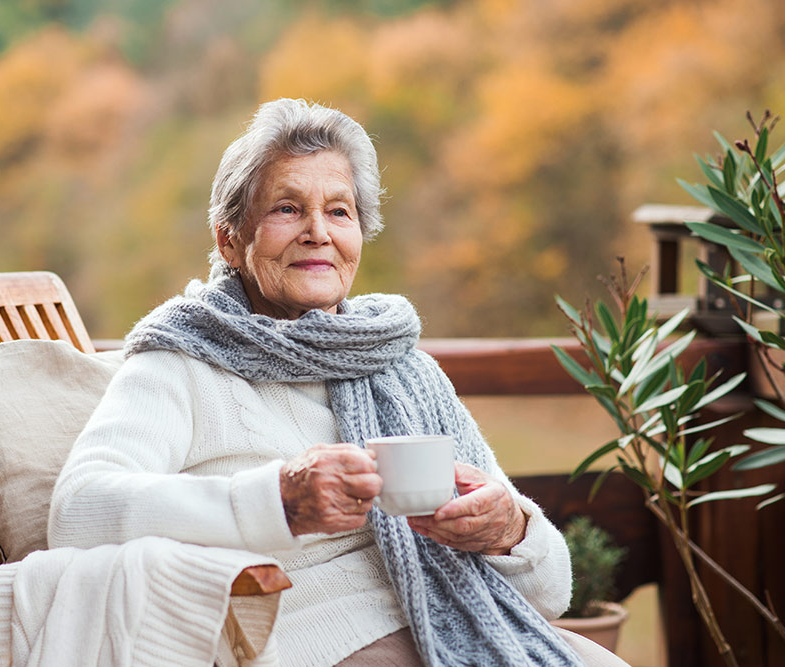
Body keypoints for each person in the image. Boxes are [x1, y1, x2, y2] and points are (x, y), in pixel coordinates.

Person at [48, 98, 621, 666]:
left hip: (460, 622)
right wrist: (278, 499)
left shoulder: (399, 365)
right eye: (287, 209)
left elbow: (549, 592)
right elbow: (77, 512)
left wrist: (509, 530)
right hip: (304, 638)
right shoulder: (180, 363)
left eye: (340, 212)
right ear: (229, 240)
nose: (318, 232)